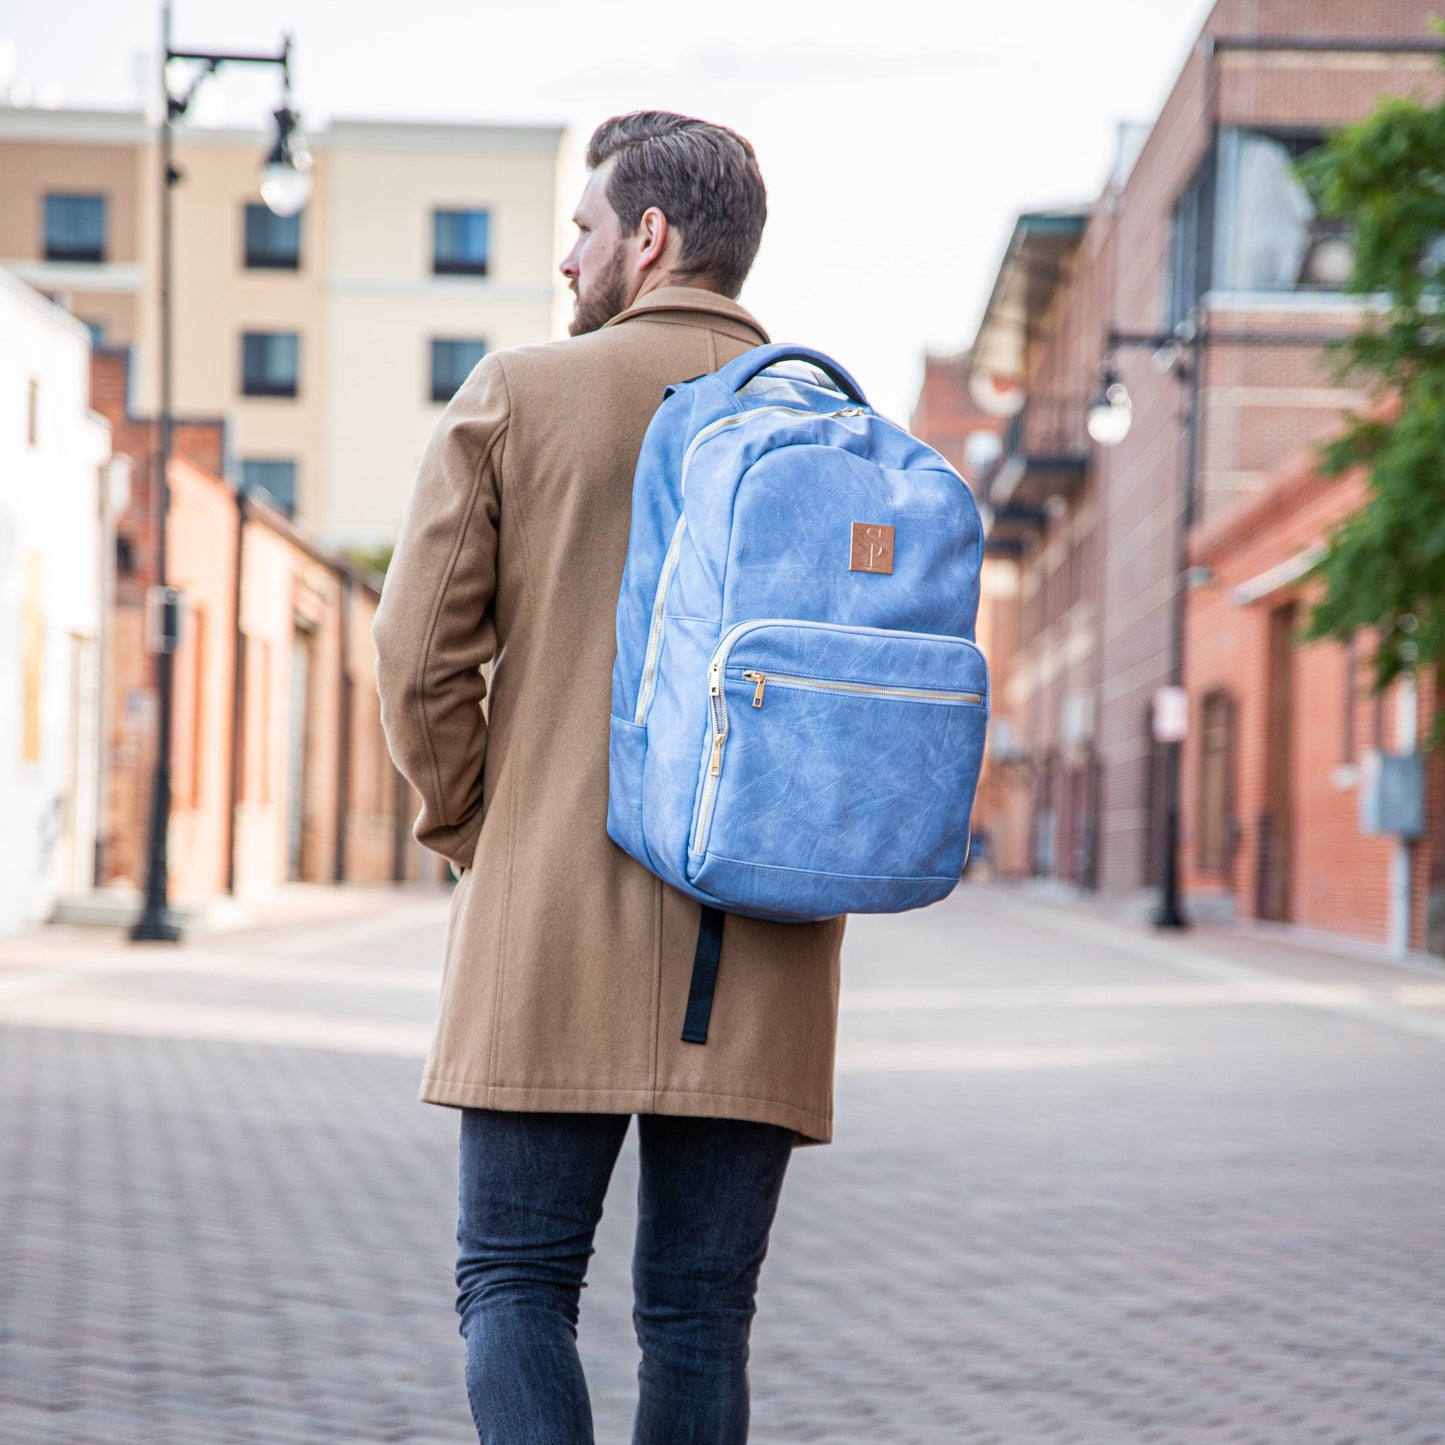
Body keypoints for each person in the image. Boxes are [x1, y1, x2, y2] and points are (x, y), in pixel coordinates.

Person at [372, 111, 845, 1445]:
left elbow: (415, 650)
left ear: (649, 236)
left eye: (582, 229)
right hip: (762, 928)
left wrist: (475, 825)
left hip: (550, 916)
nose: (568, 257)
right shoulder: (830, 427)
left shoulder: (522, 394)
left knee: (515, 1282)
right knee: (699, 1317)